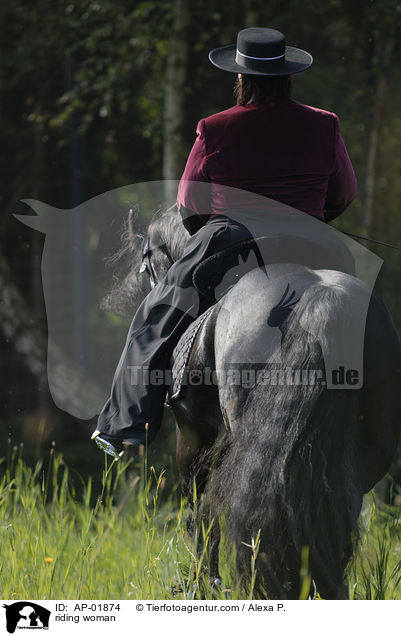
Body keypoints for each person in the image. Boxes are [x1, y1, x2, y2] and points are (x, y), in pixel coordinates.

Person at [92, 27, 357, 457]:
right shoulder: (325, 124)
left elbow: (187, 205)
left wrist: (210, 233)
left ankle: (127, 423)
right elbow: (343, 193)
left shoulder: (213, 129)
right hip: (315, 240)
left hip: (235, 238)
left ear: (241, 80)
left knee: (158, 311)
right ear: (288, 78)